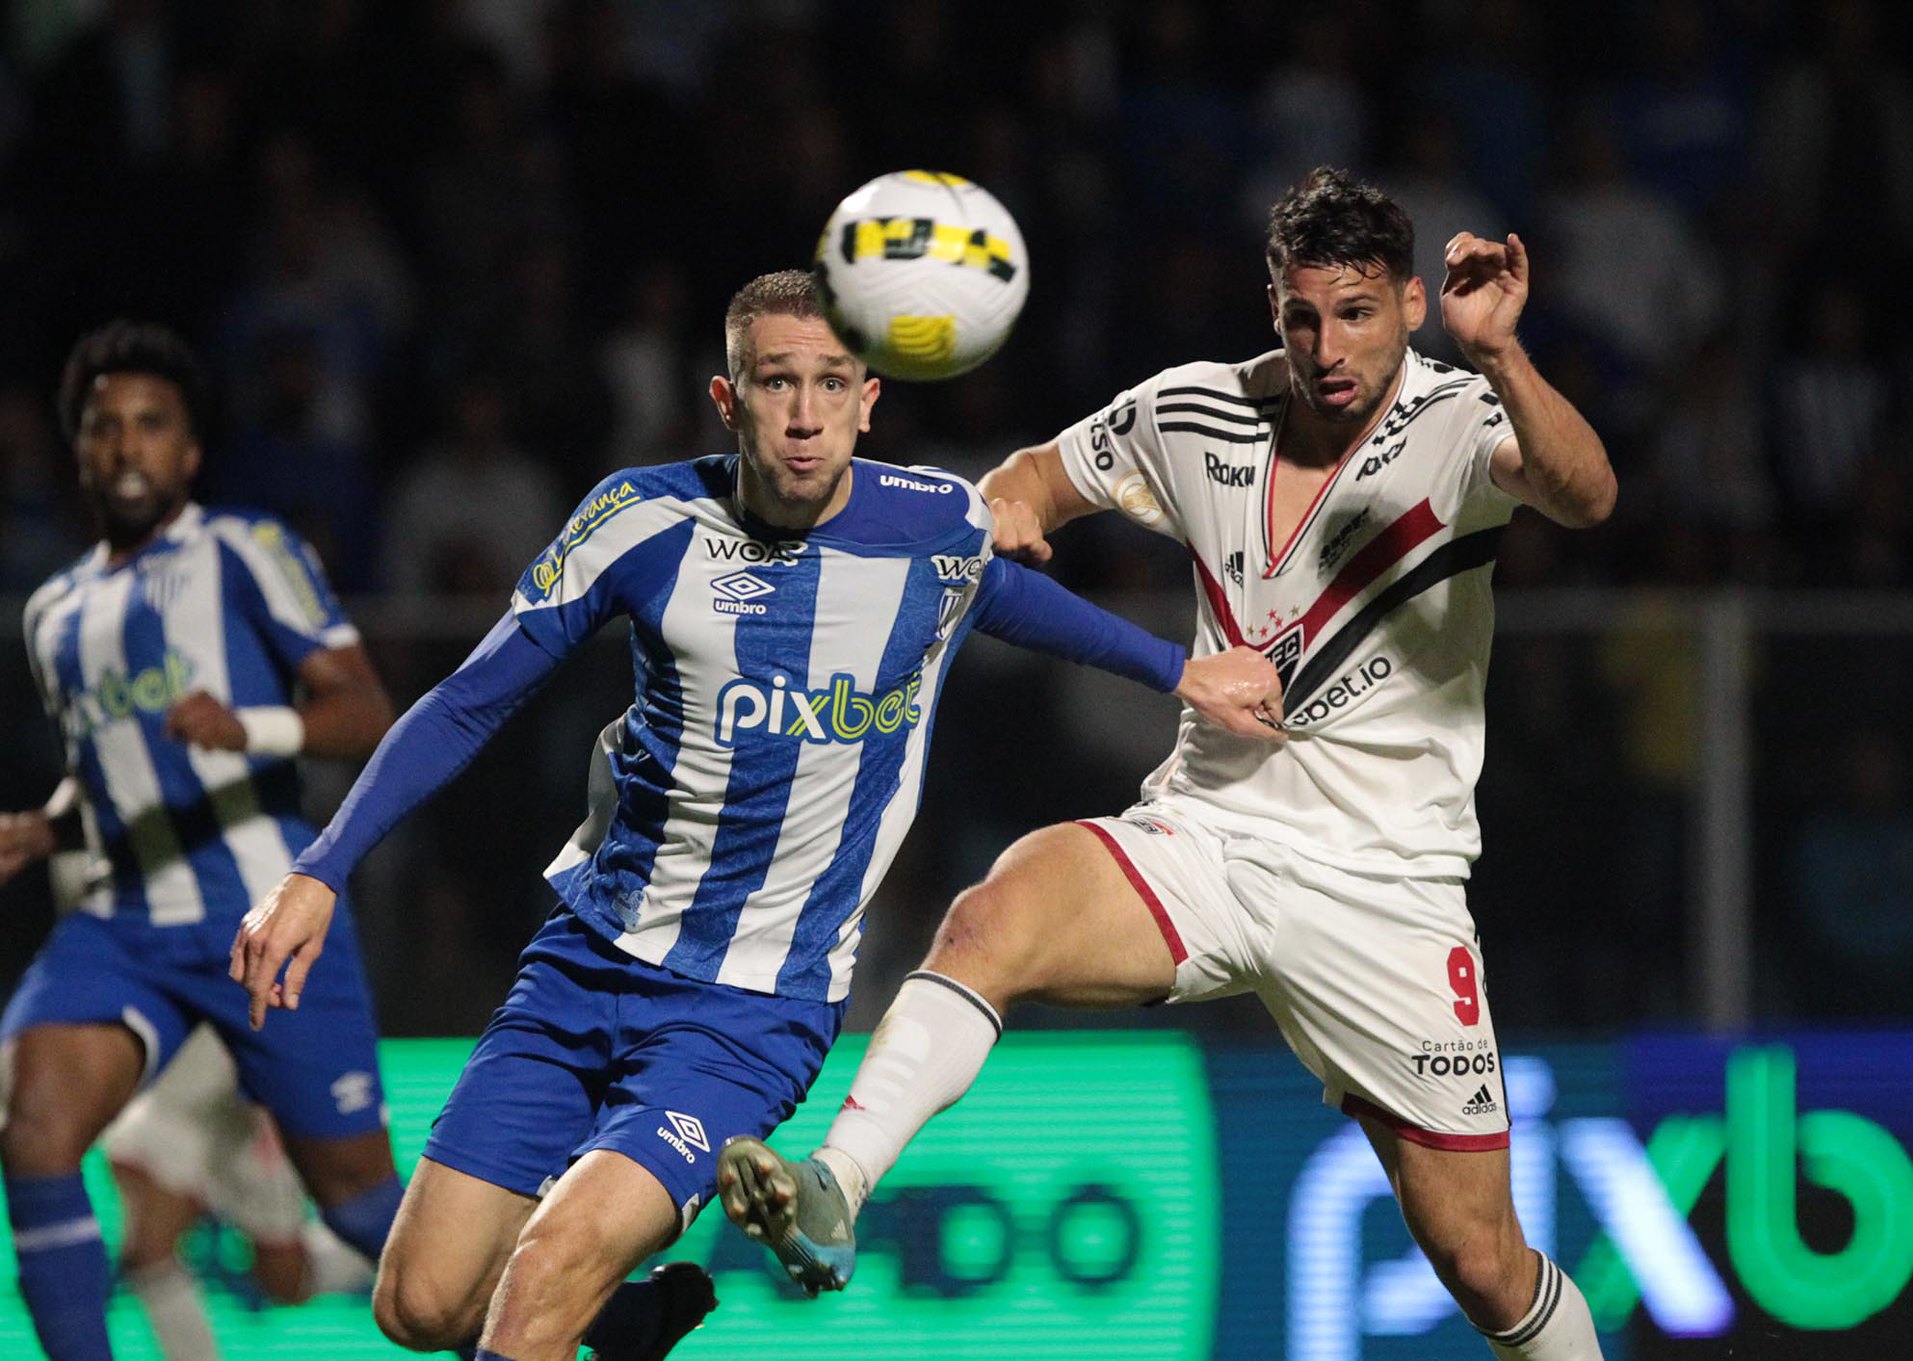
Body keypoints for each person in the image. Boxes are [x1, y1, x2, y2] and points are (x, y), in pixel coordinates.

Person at [227, 270, 1283, 1361]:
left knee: (545, 1272)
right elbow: (468, 697)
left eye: (830, 382)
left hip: (748, 1011)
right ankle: (631, 1320)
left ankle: (597, 1297)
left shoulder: (935, 526)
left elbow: (1007, 593)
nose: (804, 412)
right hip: (584, 960)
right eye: (775, 381)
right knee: (421, 1306)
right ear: (727, 400)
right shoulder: (638, 520)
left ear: (868, 397)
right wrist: (321, 867)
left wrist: (1178, 668)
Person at [717, 167, 1619, 1361]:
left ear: (1410, 305)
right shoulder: (1196, 413)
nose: (1326, 345)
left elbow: (1586, 492)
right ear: (1270, 307)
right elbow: (1036, 473)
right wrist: (1004, 508)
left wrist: (1501, 355)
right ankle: (833, 1184)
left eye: (1355, 312)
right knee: (991, 917)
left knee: (1480, 1259)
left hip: (1385, 888)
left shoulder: (1456, 424)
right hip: (1206, 837)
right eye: (1301, 315)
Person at [0, 320, 406, 1361]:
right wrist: (45, 828)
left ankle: (592, 1318)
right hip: (125, 920)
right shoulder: (55, 610)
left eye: (151, 425)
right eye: (105, 428)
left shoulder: (245, 549)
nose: (127, 445)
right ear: (80, 450)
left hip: (260, 914)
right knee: (35, 1128)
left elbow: (365, 708)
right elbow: (114, 773)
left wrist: (251, 727)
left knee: (364, 1211)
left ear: (186, 452)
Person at [99, 1022, 377, 1361]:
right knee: (150, 1250)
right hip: (178, 1089)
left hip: (254, 1097)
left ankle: (387, 1253)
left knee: (286, 1281)